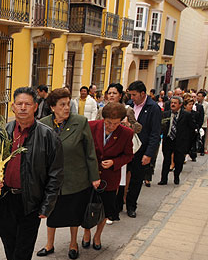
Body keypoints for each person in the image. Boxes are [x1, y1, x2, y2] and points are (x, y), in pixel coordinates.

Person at [0, 86, 63, 260]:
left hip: (31, 200)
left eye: (28, 104)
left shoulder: (48, 136)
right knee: (9, 240)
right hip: (5, 198)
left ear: (36, 107)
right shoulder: (1, 133)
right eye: (20, 104)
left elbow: (55, 174)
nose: (23, 108)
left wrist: (47, 206)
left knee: (24, 244)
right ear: (13, 106)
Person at [37, 87, 100, 260]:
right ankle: (49, 244)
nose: (66, 108)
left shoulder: (80, 122)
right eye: (62, 104)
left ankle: (73, 244)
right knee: (52, 212)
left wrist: (94, 176)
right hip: (52, 180)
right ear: (52, 107)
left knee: (74, 212)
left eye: (68, 104)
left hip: (76, 178)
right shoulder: (43, 124)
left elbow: (90, 151)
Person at [82, 103, 134, 248]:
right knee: (87, 206)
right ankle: (87, 231)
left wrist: (114, 162)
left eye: (116, 123)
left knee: (104, 209)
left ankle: (98, 236)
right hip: (90, 176)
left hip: (109, 178)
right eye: (109, 123)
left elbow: (128, 155)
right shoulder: (91, 126)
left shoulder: (126, 133)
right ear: (103, 118)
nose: (111, 126)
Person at [125, 80, 161, 218]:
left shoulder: (153, 108)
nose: (132, 98)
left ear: (142, 94)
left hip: (142, 150)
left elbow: (155, 133)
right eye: (130, 95)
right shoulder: (129, 105)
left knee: (136, 179)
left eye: (134, 95)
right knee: (123, 178)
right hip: (127, 148)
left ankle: (131, 206)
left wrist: (149, 154)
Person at [159, 96, 194, 185]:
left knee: (179, 160)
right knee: (166, 160)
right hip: (168, 140)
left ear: (180, 104)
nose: (173, 104)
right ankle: (164, 179)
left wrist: (188, 144)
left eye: (175, 103)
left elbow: (191, 129)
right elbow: (162, 126)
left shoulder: (186, 115)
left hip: (180, 142)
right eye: (172, 103)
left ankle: (176, 176)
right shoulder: (166, 114)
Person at [198, 90, 208, 155]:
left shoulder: (206, 104)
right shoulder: (195, 103)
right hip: (197, 122)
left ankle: (202, 150)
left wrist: (201, 122)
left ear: (203, 97)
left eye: (199, 96)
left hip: (203, 123)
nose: (198, 97)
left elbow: (206, 114)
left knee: (203, 136)